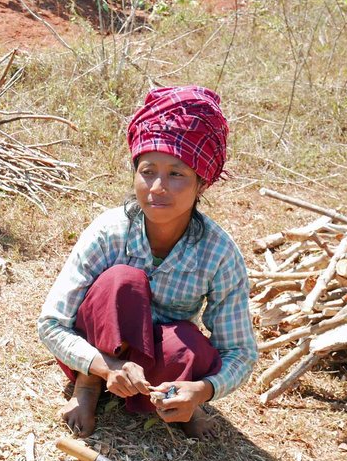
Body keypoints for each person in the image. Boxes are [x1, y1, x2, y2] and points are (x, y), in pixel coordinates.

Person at [38, 85, 258, 439]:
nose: (157, 187)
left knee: (189, 344)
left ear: (201, 182)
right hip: (98, 349)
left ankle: (173, 401)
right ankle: (88, 386)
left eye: (176, 174)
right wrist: (106, 367)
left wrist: (202, 391)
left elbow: (240, 352)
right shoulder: (110, 231)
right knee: (122, 281)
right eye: (148, 170)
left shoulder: (218, 252)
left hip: (157, 360)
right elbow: (52, 323)